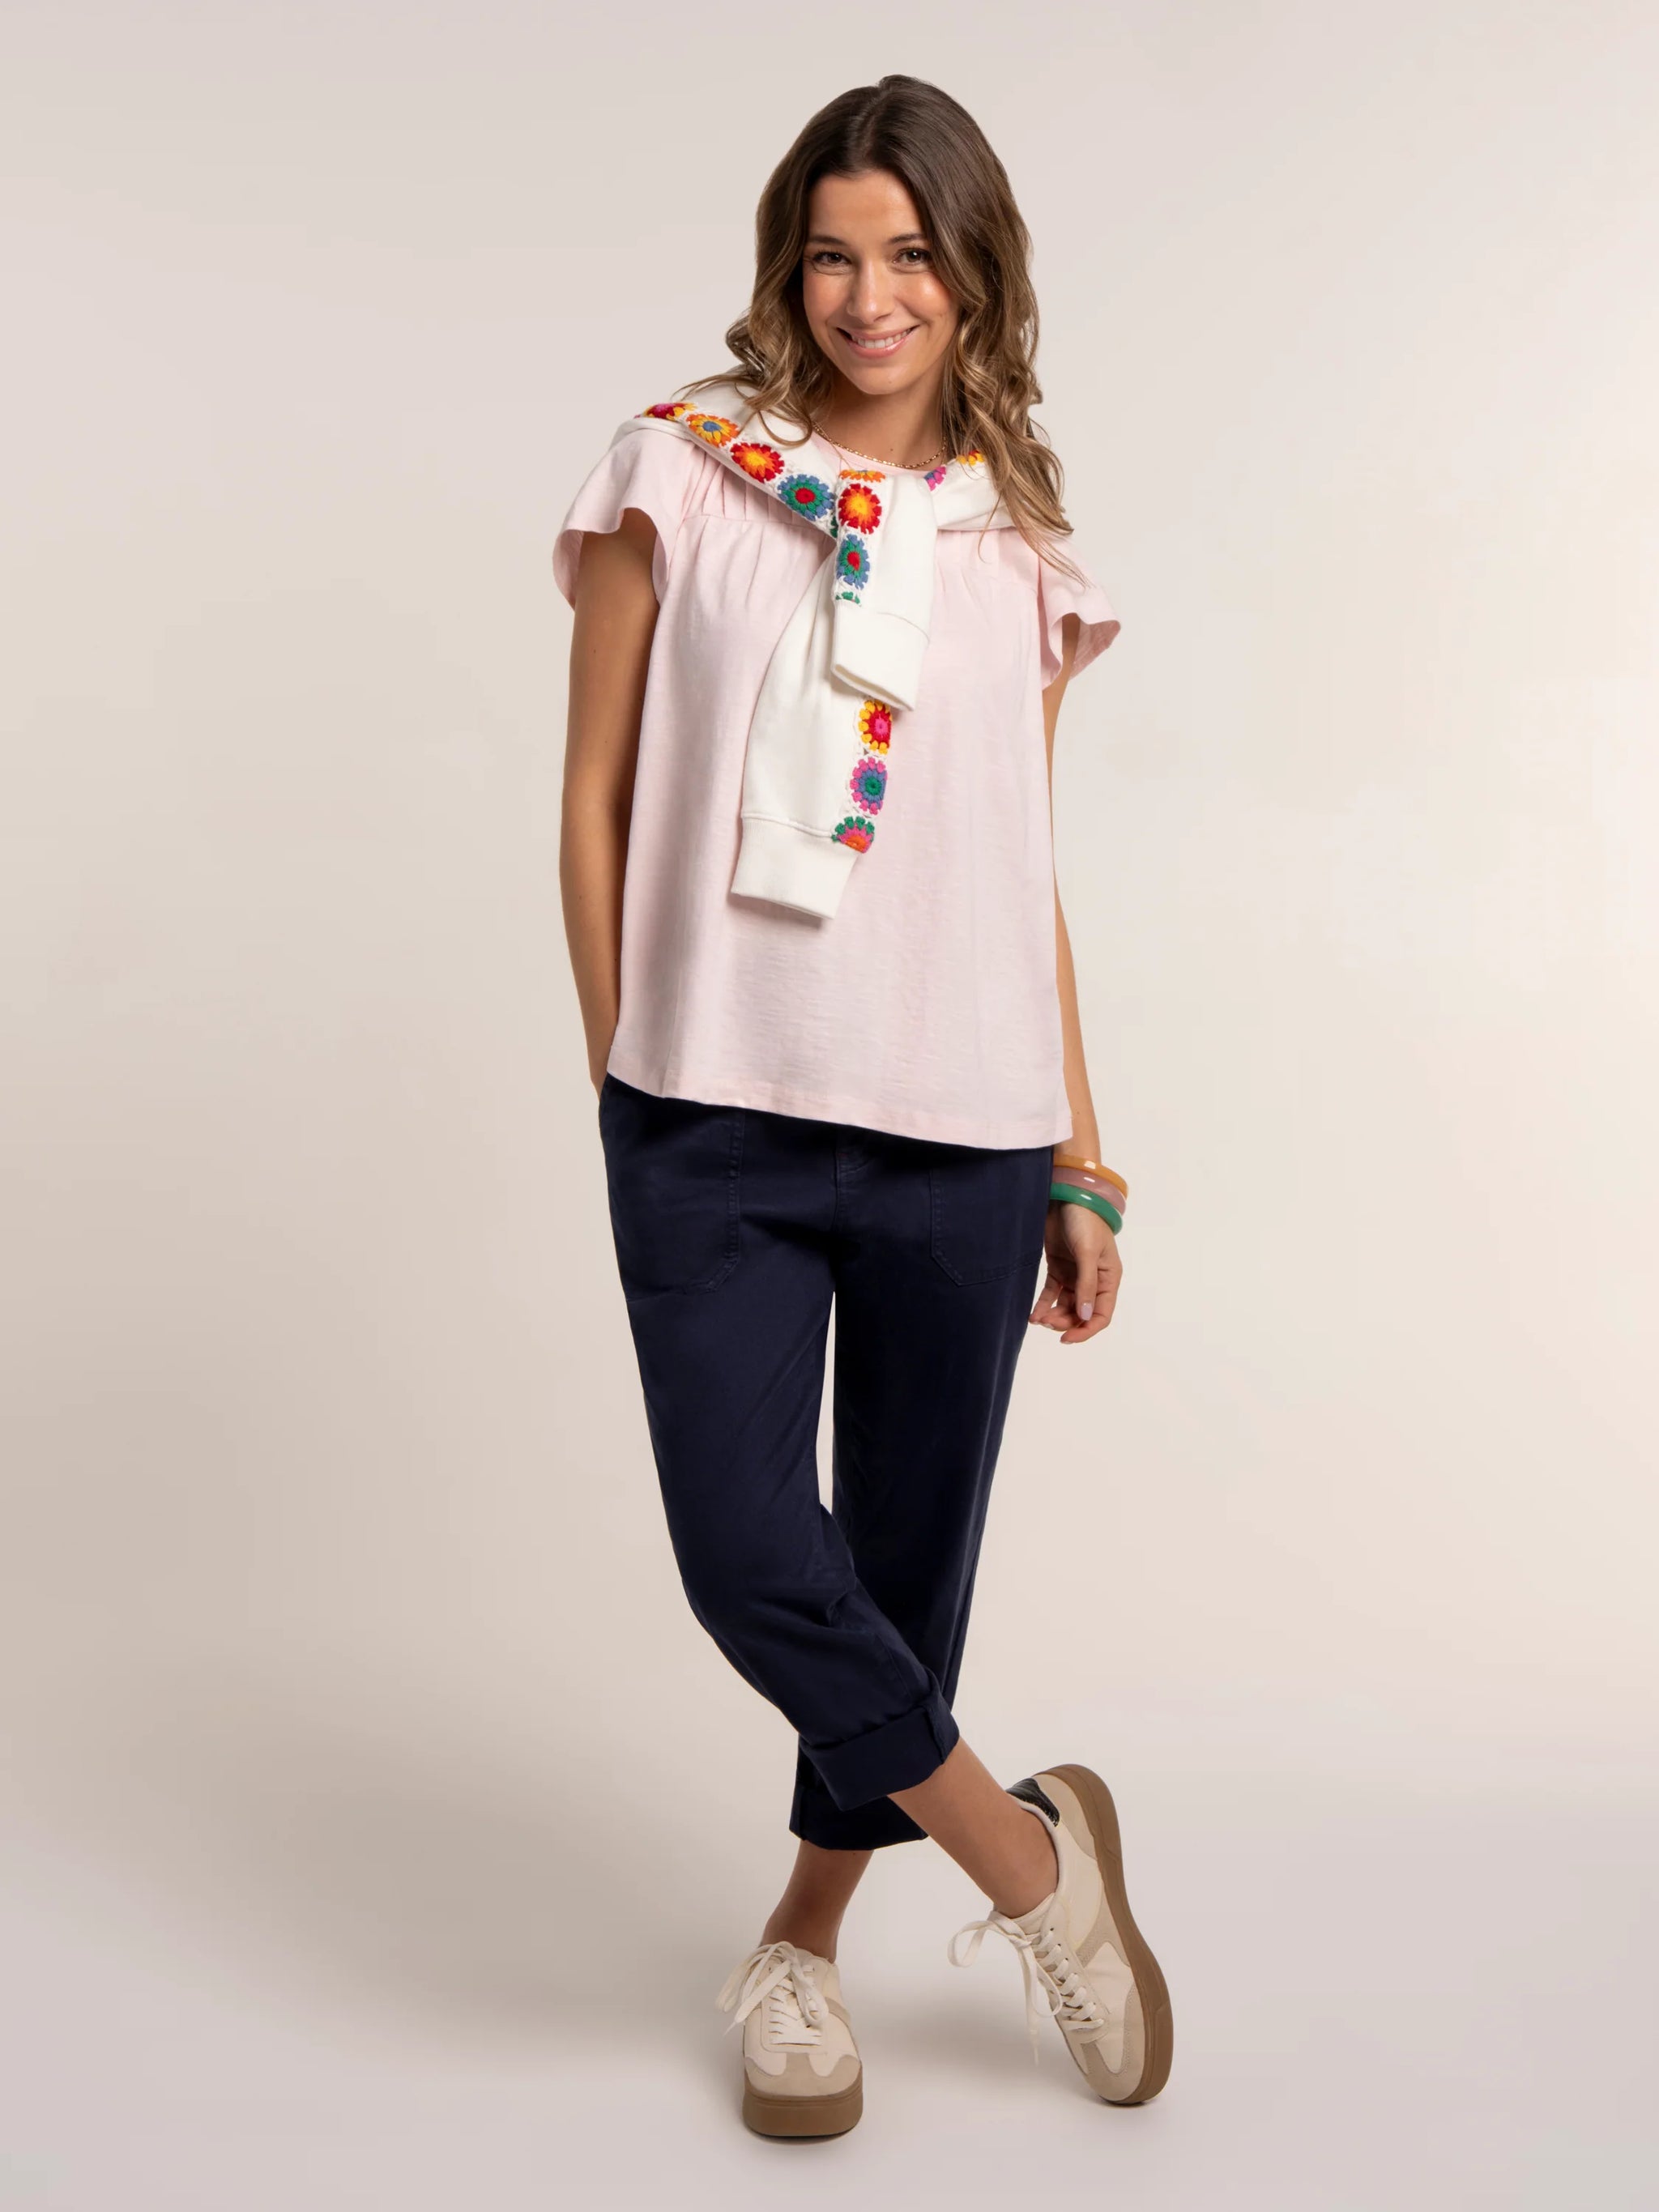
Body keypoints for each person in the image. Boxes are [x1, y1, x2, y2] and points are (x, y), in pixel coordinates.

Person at [554, 74, 1171, 2138]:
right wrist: (622, 1068)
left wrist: (1080, 1153)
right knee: (751, 1552)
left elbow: (1018, 869)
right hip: (705, 1111)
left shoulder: (1018, 555)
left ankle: (802, 1946)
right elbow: (590, 801)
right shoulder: (678, 471)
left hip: (964, 1125)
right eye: (831, 253)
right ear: (785, 266)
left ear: (973, 273)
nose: (867, 295)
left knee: (900, 1579)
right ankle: (1034, 1866)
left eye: (910, 254)